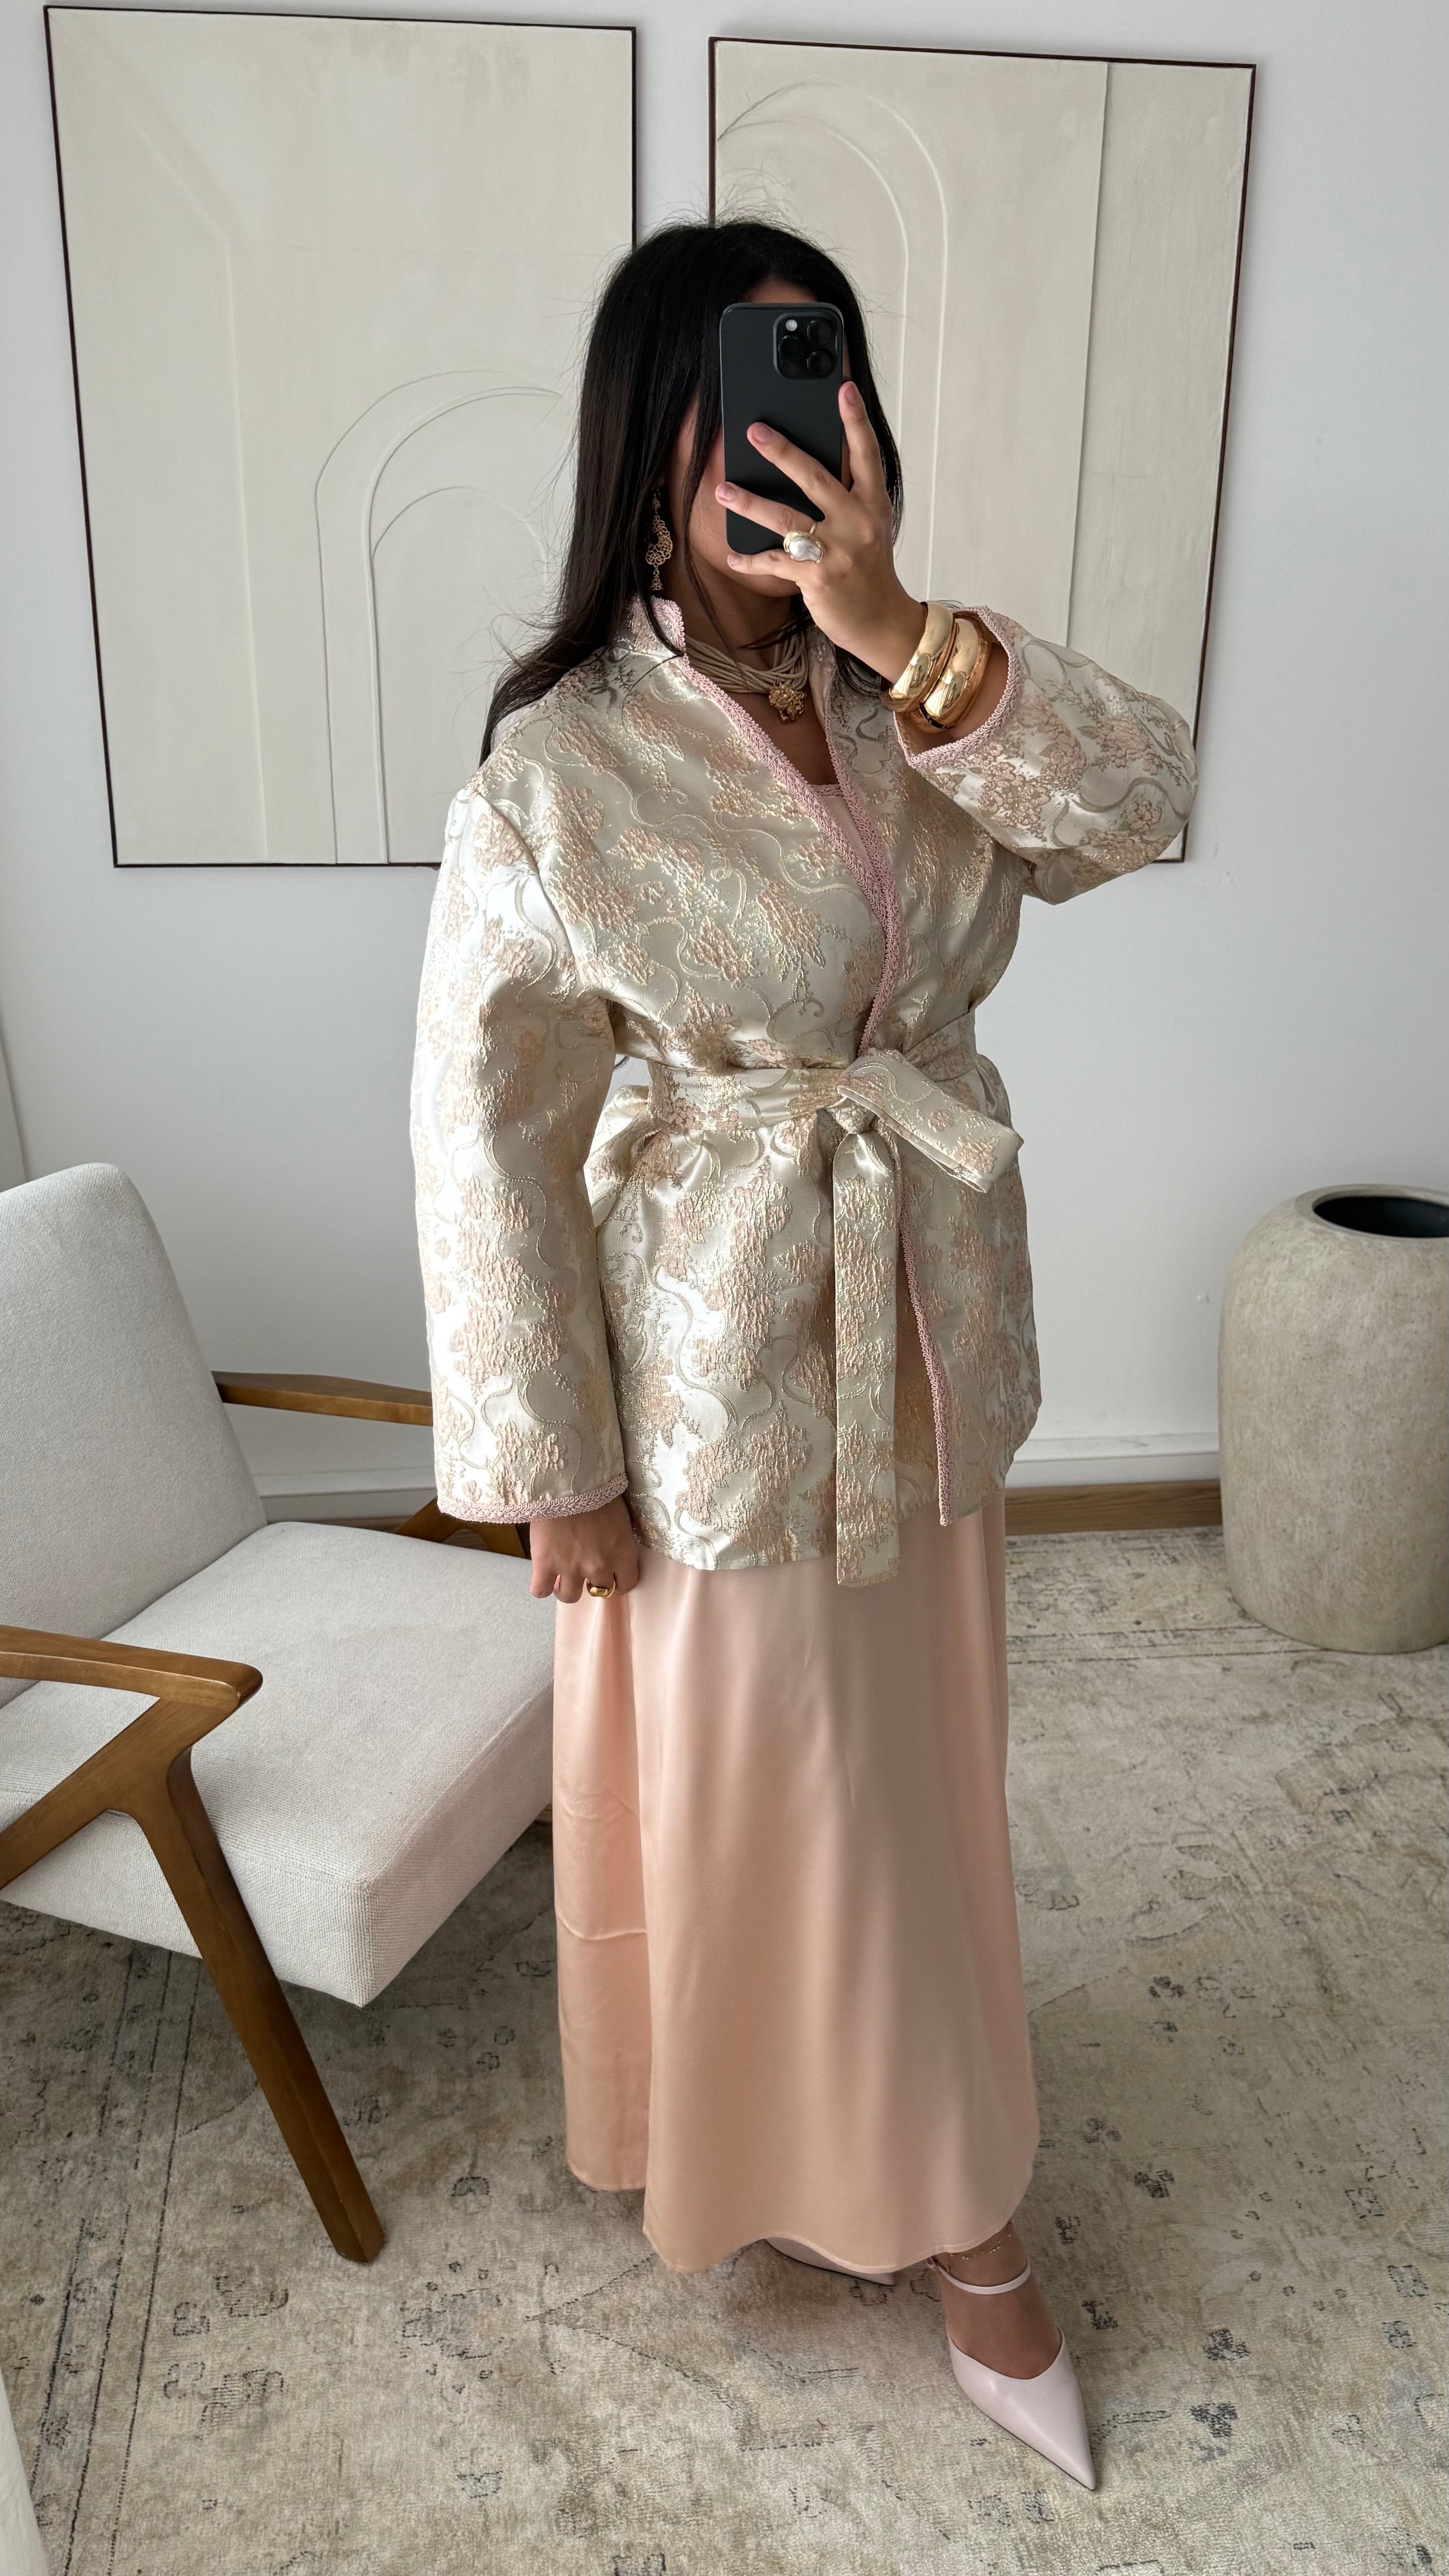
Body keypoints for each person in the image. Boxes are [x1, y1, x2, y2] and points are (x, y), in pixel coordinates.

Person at [411, 219, 1196, 2489]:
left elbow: (1142, 805)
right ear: (650, 443)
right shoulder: (559, 767)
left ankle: (919, 2163)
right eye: (742, 398)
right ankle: (943, 2221)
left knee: (918, 1798)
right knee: (774, 1805)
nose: (790, 441)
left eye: (822, 386)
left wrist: (910, 634)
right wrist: (553, 1463)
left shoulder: (909, 692)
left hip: (931, 1343)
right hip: (711, 1382)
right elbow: (484, 1134)